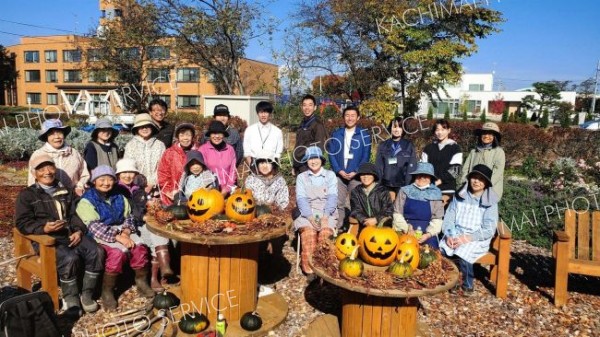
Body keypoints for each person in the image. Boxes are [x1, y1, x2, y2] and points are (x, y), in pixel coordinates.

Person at [16, 154, 104, 314]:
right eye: (41, 169)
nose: (47, 172)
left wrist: (78, 230)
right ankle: (71, 298)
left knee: (97, 251)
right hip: (47, 239)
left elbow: (76, 214)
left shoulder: (66, 190)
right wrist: (44, 229)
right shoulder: (27, 195)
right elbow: (22, 223)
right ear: (34, 173)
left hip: (70, 234)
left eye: (50, 167)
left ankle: (87, 294)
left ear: (55, 169)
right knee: (69, 258)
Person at [77, 165, 155, 310]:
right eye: (102, 179)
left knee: (139, 248)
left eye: (110, 179)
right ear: (94, 181)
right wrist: (118, 237)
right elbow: (94, 226)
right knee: (116, 253)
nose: (106, 183)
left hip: (121, 230)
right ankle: (107, 291)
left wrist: (126, 231)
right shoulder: (86, 200)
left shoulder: (119, 197)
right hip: (100, 234)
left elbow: (129, 215)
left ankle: (141, 282)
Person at [115, 158, 175, 292]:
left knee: (158, 233)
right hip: (127, 225)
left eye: (131, 172)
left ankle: (162, 270)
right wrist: (142, 215)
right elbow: (130, 210)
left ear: (136, 174)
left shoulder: (139, 190)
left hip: (142, 222)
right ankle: (156, 275)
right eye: (124, 172)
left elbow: (145, 204)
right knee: (150, 239)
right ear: (118, 175)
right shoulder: (117, 190)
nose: (127, 175)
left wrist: (154, 206)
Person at [440, 164, 499, 296]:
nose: (476, 181)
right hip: (456, 232)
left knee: (462, 252)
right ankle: (451, 281)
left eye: (481, 179)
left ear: (486, 183)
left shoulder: (490, 202)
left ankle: (467, 284)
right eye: (474, 177)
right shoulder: (460, 195)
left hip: (477, 238)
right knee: (443, 249)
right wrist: (450, 234)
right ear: (469, 178)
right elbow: (449, 217)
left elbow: (489, 228)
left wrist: (466, 238)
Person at [294, 146, 338, 281]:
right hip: (307, 212)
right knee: (309, 234)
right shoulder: (302, 177)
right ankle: (310, 271)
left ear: (321, 159)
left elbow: (332, 197)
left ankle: (324, 268)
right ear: (306, 161)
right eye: (310, 159)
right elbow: (301, 199)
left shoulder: (330, 175)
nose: (313, 161)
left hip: (327, 212)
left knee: (325, 235)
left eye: (315, 158)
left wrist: (325, 217)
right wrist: (310, 217)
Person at [327, 105, 372, 230]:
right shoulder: (337, 134)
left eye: (353, 115)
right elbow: (331, 154)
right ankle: (337, 228)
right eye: (347, 115)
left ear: (358, 117)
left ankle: (355, 230)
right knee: (337, 202)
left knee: (357, 203)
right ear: (343, 117)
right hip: (339, 175)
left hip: (356, 175)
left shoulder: (364, 135)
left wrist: (357, 171)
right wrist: (338, 170)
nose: (350, 118)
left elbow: (366, 156)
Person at [28, 119, 89, 196]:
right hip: (47, 198)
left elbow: (84, 174)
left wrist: (80, 186)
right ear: (46, 136)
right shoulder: (38, 155)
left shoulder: (74, 153)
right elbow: (32, 180)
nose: (57, 137)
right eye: (52, 134)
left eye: (59, 133)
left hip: (73, 197)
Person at [392, 162, 444, 248]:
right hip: (405, 229)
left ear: (431, 178)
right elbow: (397, 213)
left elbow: (437, 218)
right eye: (419, 174)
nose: (422, 178)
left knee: (430, 254)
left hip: (427, 232)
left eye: (426, 175)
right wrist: (407, 229)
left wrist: (427, 235)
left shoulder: (436, 194)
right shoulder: (404, 191)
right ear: (415, 176)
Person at [123, 113, 166, 200]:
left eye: (147, 126)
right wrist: (138, 184)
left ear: (152, 127)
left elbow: (162, 168)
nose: (144, 129)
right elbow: (128, 168)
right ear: (137, 129)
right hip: (135, 189)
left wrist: (152, 183)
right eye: (141, 126)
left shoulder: (160, 145)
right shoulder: (130, 145)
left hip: (156, 190)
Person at [157, 123, 201, 206]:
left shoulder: (199, 151)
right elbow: (163, 174)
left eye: (188, 135)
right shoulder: (169, 152)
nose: (185, 138)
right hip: (173, 197)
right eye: (182, 135)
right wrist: (169, 191)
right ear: (177, 137)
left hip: (196, 197)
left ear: (192, 137)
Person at [375, 116, 417, 201]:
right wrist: (378, 183)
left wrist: (408, 184)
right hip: (386, 183)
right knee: (387, 208)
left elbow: (412, 166)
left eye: (400, 127)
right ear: (390, 128)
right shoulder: (383, 145)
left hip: (402, 184)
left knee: (400, 209)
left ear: (403, 129)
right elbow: (379, 166)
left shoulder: (409, 145)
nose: (396, 129)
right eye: (394, 127)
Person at [422, 119, 462, 207]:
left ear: (449, 130)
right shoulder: (428, 148)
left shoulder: (455, 148)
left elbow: (456, 170)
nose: (440, 132)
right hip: (430, 187)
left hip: (447, 189)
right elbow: (424, 168)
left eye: (443, 129)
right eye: (437, 130)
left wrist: (439, 181)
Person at [460, 122, 505, 199]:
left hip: (489, 191)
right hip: (471, 189)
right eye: (484, 133)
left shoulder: (499, 152)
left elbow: (498, 172)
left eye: (490, 134)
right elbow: (465, 169)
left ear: (495, 137)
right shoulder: (474, 152)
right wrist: (465, 182)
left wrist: (484, 186)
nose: (486, 136)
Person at [350, 162, 394, 230]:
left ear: (374, 176)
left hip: (382, 226)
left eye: (368, 174)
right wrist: (365, 220)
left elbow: (389, 210)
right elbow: (355, 210)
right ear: (359, 176)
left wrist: (376, 219)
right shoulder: (355, 192)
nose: (365, 177)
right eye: (363, 174)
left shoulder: (382, 191)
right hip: (364, 226)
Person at [199, 121, 237, 197]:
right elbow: (203, 171)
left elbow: (233, 171)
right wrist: (212, 188)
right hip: (210, 190)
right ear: (210, 135)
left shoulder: (230, 149)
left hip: (228, 190)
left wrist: (227, 188)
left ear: (223, 135)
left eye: (219, 133)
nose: (216, 136)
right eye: (213, 133)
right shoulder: (203, 150)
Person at [292, 94, 328, 175]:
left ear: (315, 107)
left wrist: (313, 166)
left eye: (310, 105)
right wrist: (294, 165)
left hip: (308, 166)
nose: (307, 108)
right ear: (301, 107)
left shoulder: (317, 125)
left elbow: (319, 148)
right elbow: (298, 144)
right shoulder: (302, 123)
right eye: (304, 105)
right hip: (299, 164)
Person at [243, 101, 283, 165]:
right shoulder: (249, 130)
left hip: (271, 165)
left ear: (270, 113)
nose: (263, 115)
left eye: (266, 112)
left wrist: (274, 166)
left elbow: (278, 153)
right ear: (257, 113)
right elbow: (247, 151)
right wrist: (252, 166)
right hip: (254, 164)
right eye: (261, 112)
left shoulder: (277, 131)